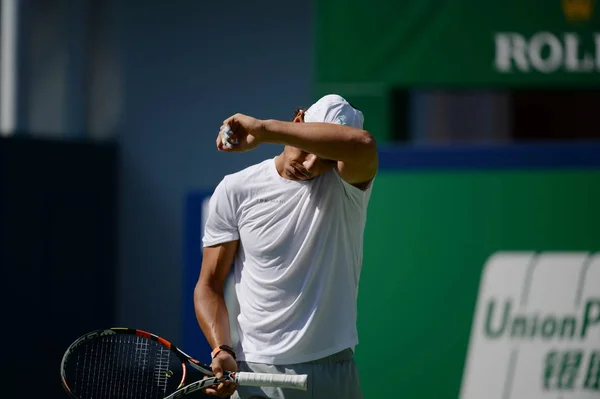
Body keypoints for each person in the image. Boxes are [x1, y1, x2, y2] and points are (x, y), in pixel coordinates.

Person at [194, 94, 378, 399]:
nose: (309, 164)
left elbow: (364, 144)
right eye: (307, 149)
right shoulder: (235, 189)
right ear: (297, 123)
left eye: (325, 157)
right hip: (254, 371)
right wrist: (222, 348)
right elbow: (209, 285)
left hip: (332, 373)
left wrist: (263, 130)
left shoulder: (349, 188)